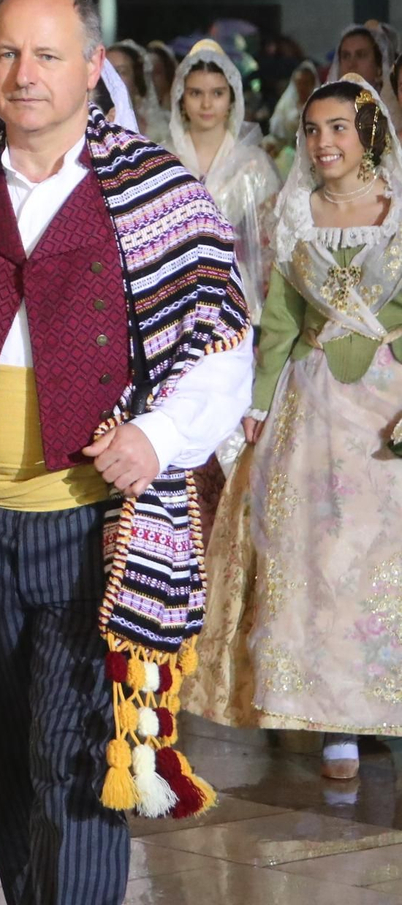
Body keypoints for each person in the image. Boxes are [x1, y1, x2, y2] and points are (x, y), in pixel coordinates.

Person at [0, 0, 252, 904]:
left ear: (93, 68)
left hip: (93, 534)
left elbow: (222, 343)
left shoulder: (161, 195)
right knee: (4, 769)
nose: (23, 74)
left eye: (45, 55)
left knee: (78, 768)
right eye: (5, 54)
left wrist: (157, 437)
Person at [190, 75, 402, 782]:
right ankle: (334, 720)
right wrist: (255, 402)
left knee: (385, 562)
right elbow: (277, 320)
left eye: (339, 127)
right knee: (320, 559)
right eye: (313, 129)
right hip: (312, 405)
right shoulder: (294, 210)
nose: (323, 142)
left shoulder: (400, 210)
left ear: (367, 132)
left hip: (386, 400)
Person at [165, 39, 279, 307]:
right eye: (195, 93)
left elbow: (270, 243)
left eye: (217, 93)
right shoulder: (162, 159)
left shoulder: (254, 163)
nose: (206, 104)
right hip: (174, 286)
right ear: (181, 97)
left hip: (237, 288)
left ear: (232, 97)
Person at [266, 60, 320, 176]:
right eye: (299, 83)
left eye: (306, 83)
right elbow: (279, 135)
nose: (302, 87)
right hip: (289, 157)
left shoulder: (320, 106)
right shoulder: (287, 105)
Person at [106, 39, 165, 138]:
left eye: (120, 71)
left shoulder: (159, 129)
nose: (110, 77)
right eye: (105, 70)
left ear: (136, 80)